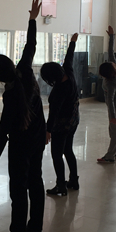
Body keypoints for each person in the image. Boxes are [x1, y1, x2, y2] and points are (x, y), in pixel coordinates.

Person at [0, 0, 46, 232]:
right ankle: (35, 226)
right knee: (36, 181)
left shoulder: (11, 97)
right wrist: (32, 19)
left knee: (18, 191)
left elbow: (3, 132)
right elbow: (30, 45)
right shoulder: (25, 71)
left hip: (21, 147)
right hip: (38, 139)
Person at [40, 32, 80, 195]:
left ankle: (61, 186)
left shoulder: (59, 91)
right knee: (68, 150)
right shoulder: (68, 73)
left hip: (61, 125)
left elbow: (54, 113)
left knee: (57, 154)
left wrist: (48, 130)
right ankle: (74, 181)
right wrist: (72, 43)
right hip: (73, 120)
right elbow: (69, 59)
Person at [97, 26, 116, 163]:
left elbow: (110, 102)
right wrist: (111, 37)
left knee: (114, 131)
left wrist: (113, 116)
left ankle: (110, 156)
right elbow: (111, 53)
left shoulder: (110, 84)